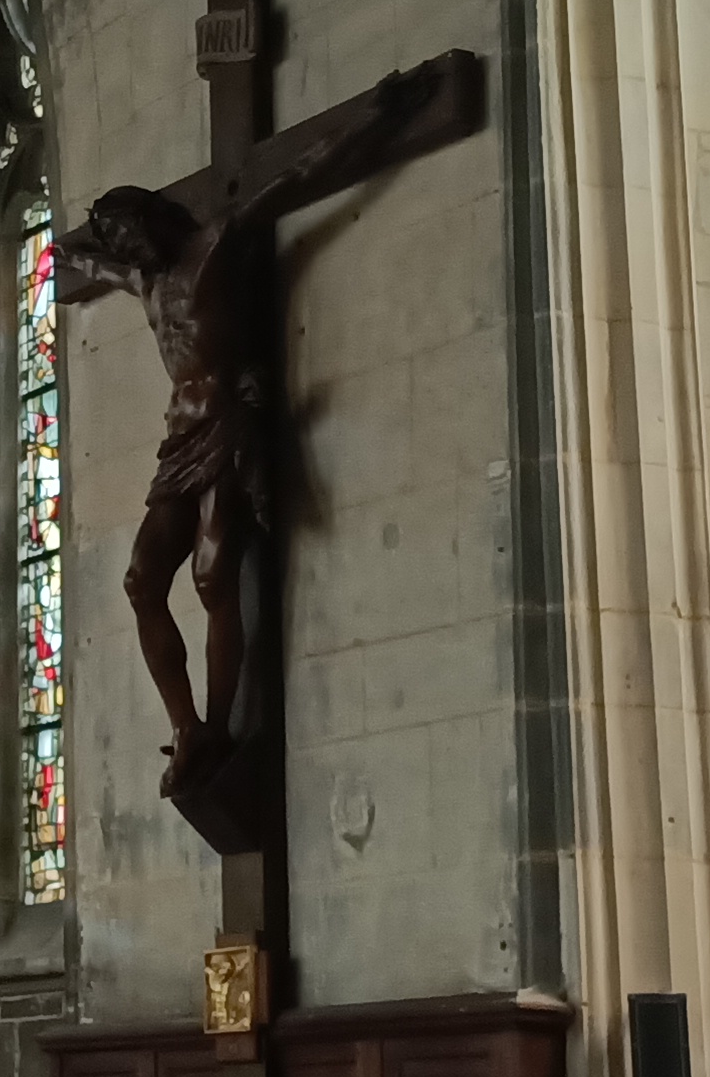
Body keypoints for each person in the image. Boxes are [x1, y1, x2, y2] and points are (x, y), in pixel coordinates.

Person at [51, 60, 440, 797]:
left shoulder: (218, 243)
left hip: (228, 428)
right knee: (141, 580)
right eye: (118, 244)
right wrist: (66, 252)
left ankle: (219, 726)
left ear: (153, 218)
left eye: (129, 234)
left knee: (212, 576)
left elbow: (300, 174)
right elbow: (89, 268)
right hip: (178, 444)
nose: (127, 251)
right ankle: (188, 727)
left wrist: (378, 114)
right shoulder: (144, 280)